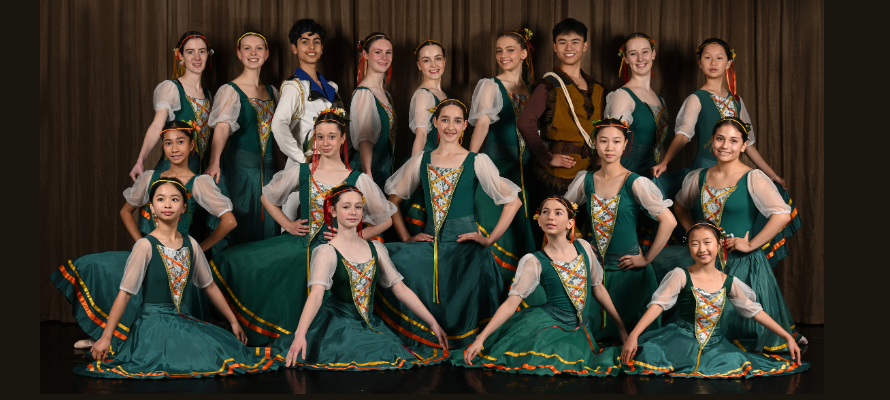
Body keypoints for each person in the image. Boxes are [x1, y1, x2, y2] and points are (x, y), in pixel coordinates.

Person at [210, 109, 396, 346]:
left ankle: (311, 339)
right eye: (319, 137)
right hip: (300, 244)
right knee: (234, 261)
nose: (325, 142)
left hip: (334, 252)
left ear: (342, 139)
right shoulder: (304, 171)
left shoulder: (358, 179)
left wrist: (355, 237)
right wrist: (288, 224)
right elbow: (267, 197)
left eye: (331, 136)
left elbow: (386, 220)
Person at [51, 121, 236, 349]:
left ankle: (123, 340)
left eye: (180, 142)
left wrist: (199, 249)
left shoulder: (199, 183)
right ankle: (104, 336)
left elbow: (229, 221)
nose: (175, 149)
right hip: (148, 251)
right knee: (99, 268)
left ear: (191, 147)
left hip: (175, 257)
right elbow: (125, 211)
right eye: (168, 143)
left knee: (154, 298)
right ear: (163, 147)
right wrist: (141, 241)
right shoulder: (150, 177)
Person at [75, 178, 284, 379]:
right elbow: (125, 294)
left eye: (175, 199)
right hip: (153, 326)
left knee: (223, 347)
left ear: (184, 207)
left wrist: (233, 321)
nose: (167, 204)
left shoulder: (191, 244)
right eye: (160, 199)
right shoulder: (145, 246)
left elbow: (209, 286)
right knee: (202, 357)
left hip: (183, 320)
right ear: (151, 207)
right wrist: (106, 337)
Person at [377, 99, 521, 349]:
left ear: (465, 125)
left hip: (465, 250)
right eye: (445, 120)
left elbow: (513, 202)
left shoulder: (477, 161)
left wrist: (488, 240)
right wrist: (407, 238)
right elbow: (393, 202)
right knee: (385, 259)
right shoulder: (421, 160)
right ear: (435, 122)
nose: (450, 126)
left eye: (457, 121)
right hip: (432, 246)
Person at [654, 38, 800, 267]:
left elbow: (748, 144)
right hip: (705, 169)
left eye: (719, 57)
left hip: (736, 174)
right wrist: (665, 161)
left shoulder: (736, 101)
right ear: (700, 63)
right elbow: (684, 134)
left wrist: (771, 174)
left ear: (729, 63)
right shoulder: (696, 98)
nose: (713, 62)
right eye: (707, 57)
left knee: (743, 220)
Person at [275, 185, 450, 370]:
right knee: (381, 349)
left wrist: (432, 322)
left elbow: (401, 289)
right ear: (333, 211)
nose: (353, 212)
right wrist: (300, 335)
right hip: (339, 323)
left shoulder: (376, 248)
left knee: (392, 348)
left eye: (358, 207)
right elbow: (316, 295)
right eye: (346, 207)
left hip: (370, 322)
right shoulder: (327, 251)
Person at [669, 117, 806, 351]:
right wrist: (694, 233)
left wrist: (751, 244)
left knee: (733, 329)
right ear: (712, 142)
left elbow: (782, 214)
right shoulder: (698, 177)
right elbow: (680, 205)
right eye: (720, 139)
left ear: (744, 146)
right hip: (705, 262)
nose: (725, 146)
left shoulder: (753, 177)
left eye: (734, 141)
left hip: (741, 264)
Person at [453, 196, 626, 376]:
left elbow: (598, 288)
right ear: (540, 221)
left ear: (570, 223)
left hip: (580, 328)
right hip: (550, 325)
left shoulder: (583, 247)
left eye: (558, 213)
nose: (550, 217)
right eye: (545, 212)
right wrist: (480, 338)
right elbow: (511, 303)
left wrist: (621, 328)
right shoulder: (534, 261)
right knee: (546, 361)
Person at [619, 221, 808, 379]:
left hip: (715, 345)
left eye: (707, 242)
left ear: (719, 245)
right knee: (648, 356)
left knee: (738, 362)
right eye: (695, 244)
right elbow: (658, 306)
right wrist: (634, 335)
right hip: (680, 340)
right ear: (689, 248)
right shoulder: (681, 275)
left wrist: (786, 336)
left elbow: (755, 311)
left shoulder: (728, 282)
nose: (702, 249)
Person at [564, 118, 677, 344]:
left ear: (625, 145)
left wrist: (645, 259)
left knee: (635, 341)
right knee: (590, 339)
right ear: (595, 143)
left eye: (616, 141)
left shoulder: (635, 182)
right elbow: (562, 214)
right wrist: (576, 242)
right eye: (603, 141)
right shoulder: (585, 180)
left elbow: (669, 221)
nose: (609, 147)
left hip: (629, 275)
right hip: (595, 275)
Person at [467, 29, 541, 301]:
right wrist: (470, 160)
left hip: (525, 176)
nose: (503, 55)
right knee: (498, 235)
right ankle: (490, 301)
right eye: (499, 50)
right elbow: (483, 124)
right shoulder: (490, 85)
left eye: (510, 50)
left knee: (522, 236)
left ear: (524, 53)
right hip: (496, 172)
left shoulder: (534, 90)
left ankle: (517, 301)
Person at [517, 18, 605, 210]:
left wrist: (599, 164)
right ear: (554, 47)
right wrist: (546, 157)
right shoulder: (549, 85)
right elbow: (525, 122)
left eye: (575, 41)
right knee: (554, 231)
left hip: (588, 171)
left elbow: (601, 130)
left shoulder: (597, 89)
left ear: (585, 46)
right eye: (562, 42)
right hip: (557, 173)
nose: (569, 47)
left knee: (578, 233)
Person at [206, 31, 280, 246]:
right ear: (239, 54)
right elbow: (222, 128)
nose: (253, 53)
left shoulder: (273, 91)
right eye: (247, 48)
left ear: (266, 54)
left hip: (269, 173)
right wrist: (214, 162)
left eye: (259, 48)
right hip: (239, 174)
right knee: (242, 229)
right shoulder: (230, 90)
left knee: (267, 234)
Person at [271, 19, 344, 223]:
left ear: (322, 48)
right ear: (294, 48)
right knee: (294, 219)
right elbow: (278, 125)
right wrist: (301, 158)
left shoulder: (332, 87)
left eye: (317, 42)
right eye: (305, 41)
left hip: (329, 165)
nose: (311, 47)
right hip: (302, 167)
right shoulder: (294, 86)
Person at [129, 31, 214, 179]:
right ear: (180, 57)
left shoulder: (209, 95)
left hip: (198, 175)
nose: (197, 57)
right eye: (190, 52)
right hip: (172, 174)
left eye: (202, 51)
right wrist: (140, 160)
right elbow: (157, 125)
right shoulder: (171, 88)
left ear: (208, 54)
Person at [401, 39, 450, 237]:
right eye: (426, 60)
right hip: (430, 163)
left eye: (437, 59)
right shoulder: (424, 94)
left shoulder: (441, 93)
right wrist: (418, 170)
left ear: (445, 61)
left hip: (443, 161)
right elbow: (421, 135)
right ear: (419, 65)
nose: (433, 65)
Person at [350, 32, 397, 189]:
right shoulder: (364, 93)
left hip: (385, 171)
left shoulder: (387, 95)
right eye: (378, 52)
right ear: (365, 54)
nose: (384, 57)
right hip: (369, 173)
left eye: (388, 52)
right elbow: (365, 140)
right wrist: (367, 176)